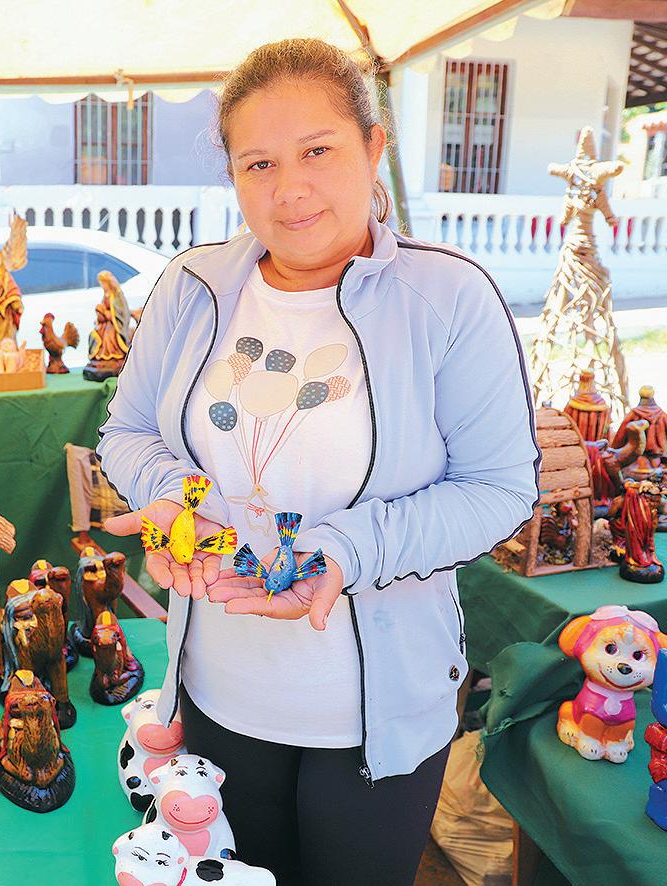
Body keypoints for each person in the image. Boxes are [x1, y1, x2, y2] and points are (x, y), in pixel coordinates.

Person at [97, 38, 540, 885]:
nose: (289, 189)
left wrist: (343, 551)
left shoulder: (446, 297)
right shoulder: (192, 285)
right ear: (232, 175)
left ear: (373, 147)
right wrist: (172, 500)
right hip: (220, 693)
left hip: (376, 718)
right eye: (257, 163)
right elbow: (127, 432)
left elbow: (496, 490)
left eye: (317, 151)